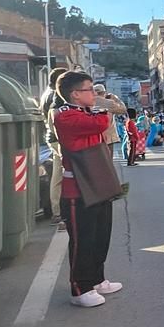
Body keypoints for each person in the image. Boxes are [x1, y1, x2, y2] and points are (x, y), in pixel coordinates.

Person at [52, 71, 124, 308]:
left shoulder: (83, 110)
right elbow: (100, 122)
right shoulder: (65, 115)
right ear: (74, 94)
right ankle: (79, 287)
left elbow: (109, 115)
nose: (94, 94)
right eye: (89, 90)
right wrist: (103, 105)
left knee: (100, 235)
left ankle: (97, 278)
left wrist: (100, 104)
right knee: (82, 240)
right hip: (78, 189)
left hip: (98, 182)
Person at [40, 67, 68, 229]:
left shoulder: (45, 94)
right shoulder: (56, 95)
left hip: (52, 137)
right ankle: (62, 212)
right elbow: (56, 118)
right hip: (59, 138)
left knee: (57, 176)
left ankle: (57, 211)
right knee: (66, 174)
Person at [93, 85, 125, 158]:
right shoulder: (109, 103)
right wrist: (115, 99)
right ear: (104, 92)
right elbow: (123, 110)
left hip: (93, 137)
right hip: (108, 136)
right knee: (108, 160)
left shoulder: (87, 103)